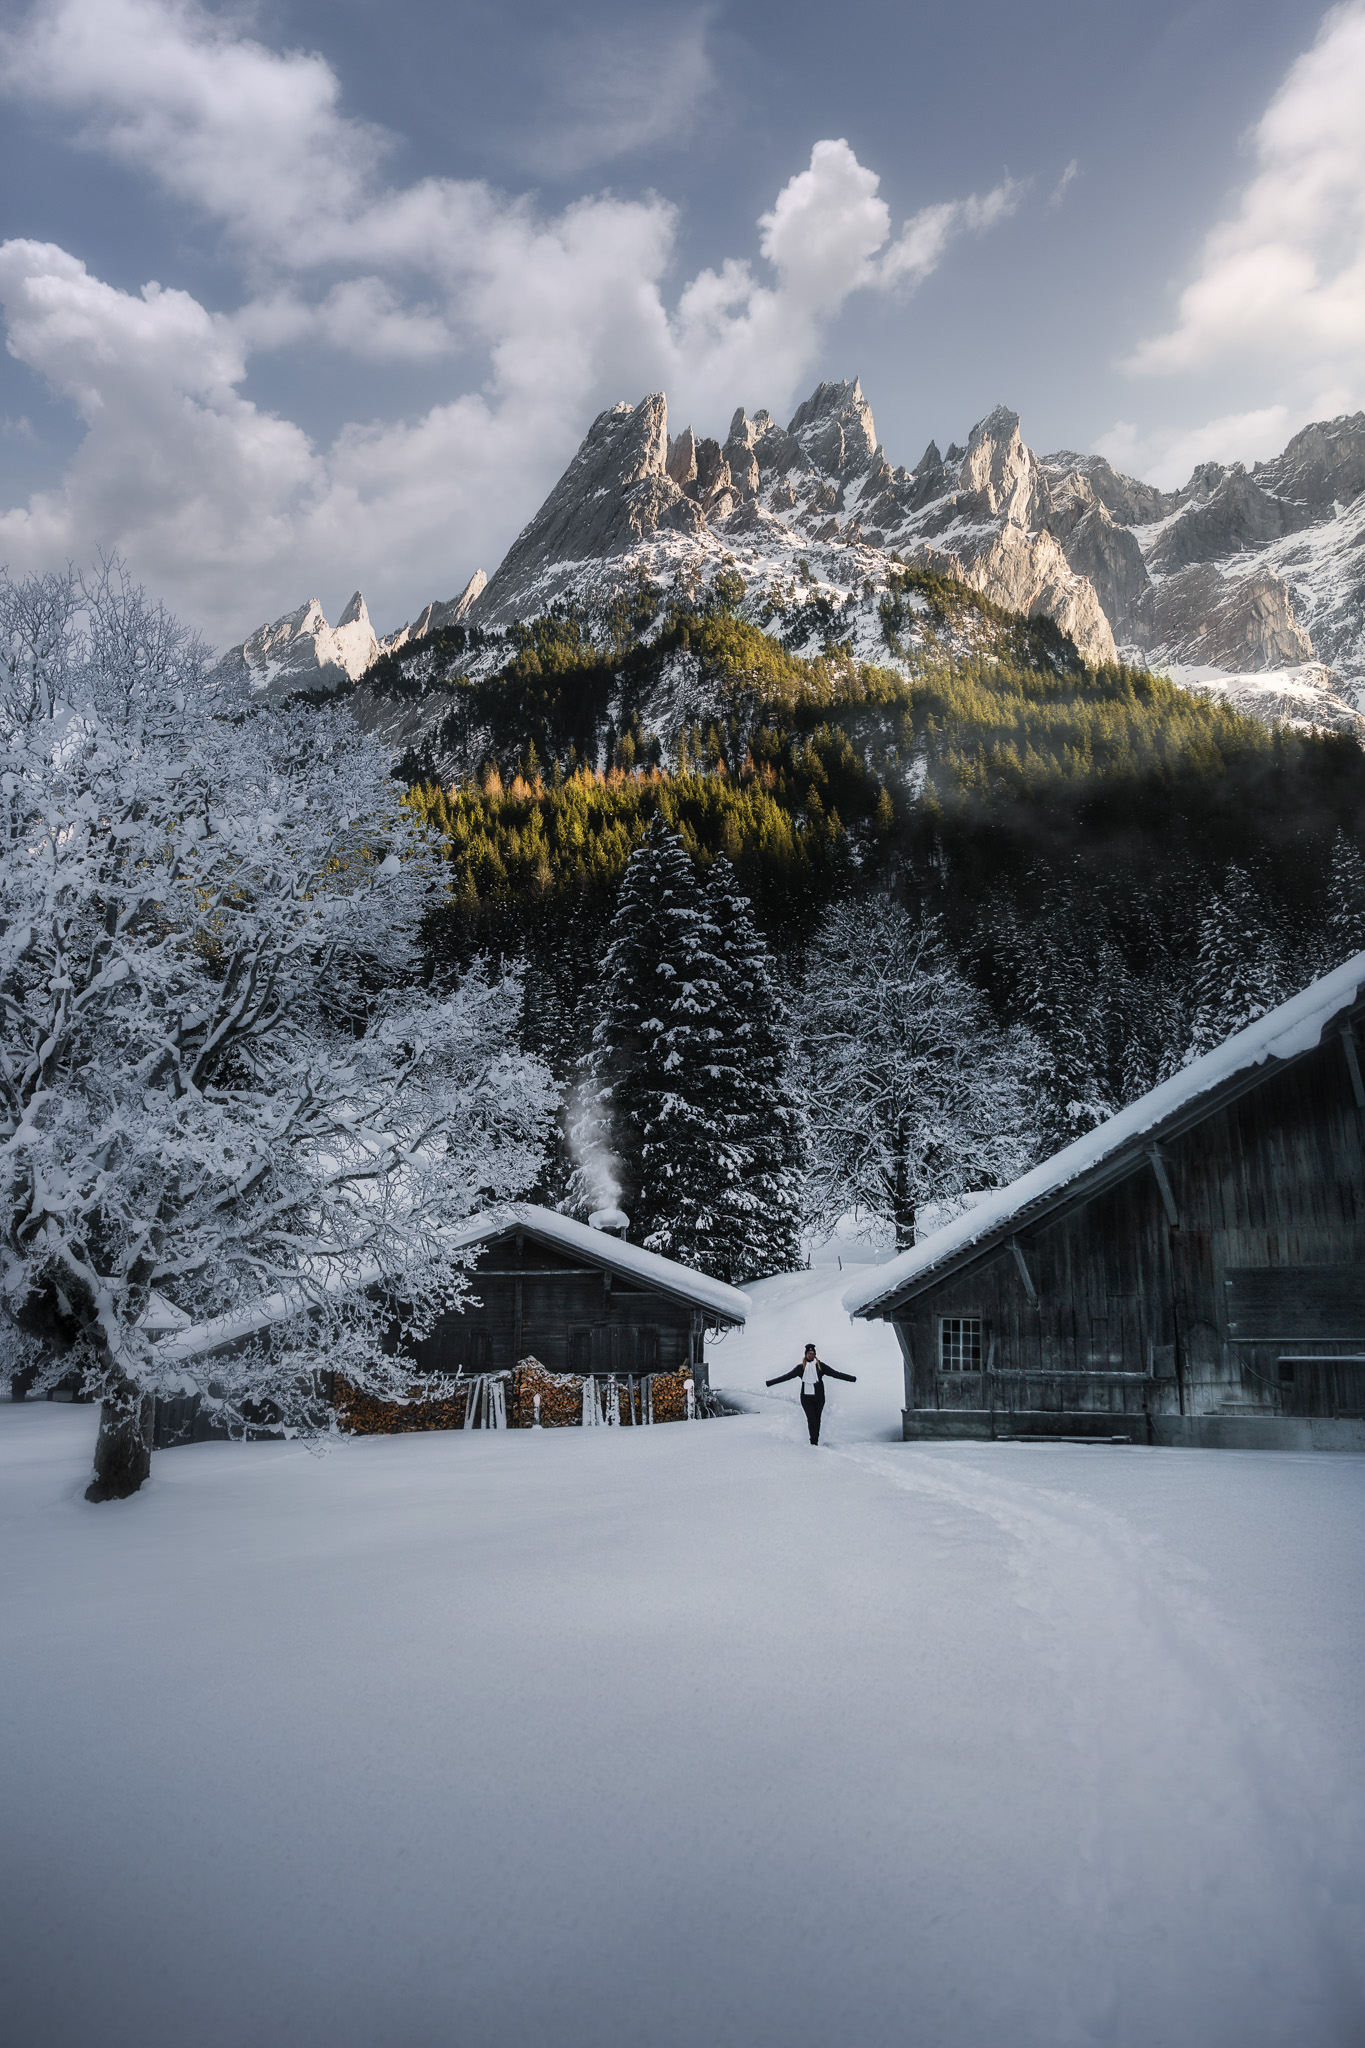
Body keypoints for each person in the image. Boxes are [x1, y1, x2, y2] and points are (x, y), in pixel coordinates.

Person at [766, 1342, 856, 1445]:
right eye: (809, 1353)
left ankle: (815, 1440)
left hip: (819, 1397)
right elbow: (786, 1376)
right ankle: (813, 1442)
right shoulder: (800, 1368)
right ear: (805, 1354)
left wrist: (851, 1379)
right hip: (806, 1398)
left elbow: (835, 1374)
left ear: (815, 1354)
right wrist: (770, 1383)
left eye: (812, 1353)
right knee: (811, 1419)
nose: (811, 1355)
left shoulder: (820, 1366)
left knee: (817, 1420)